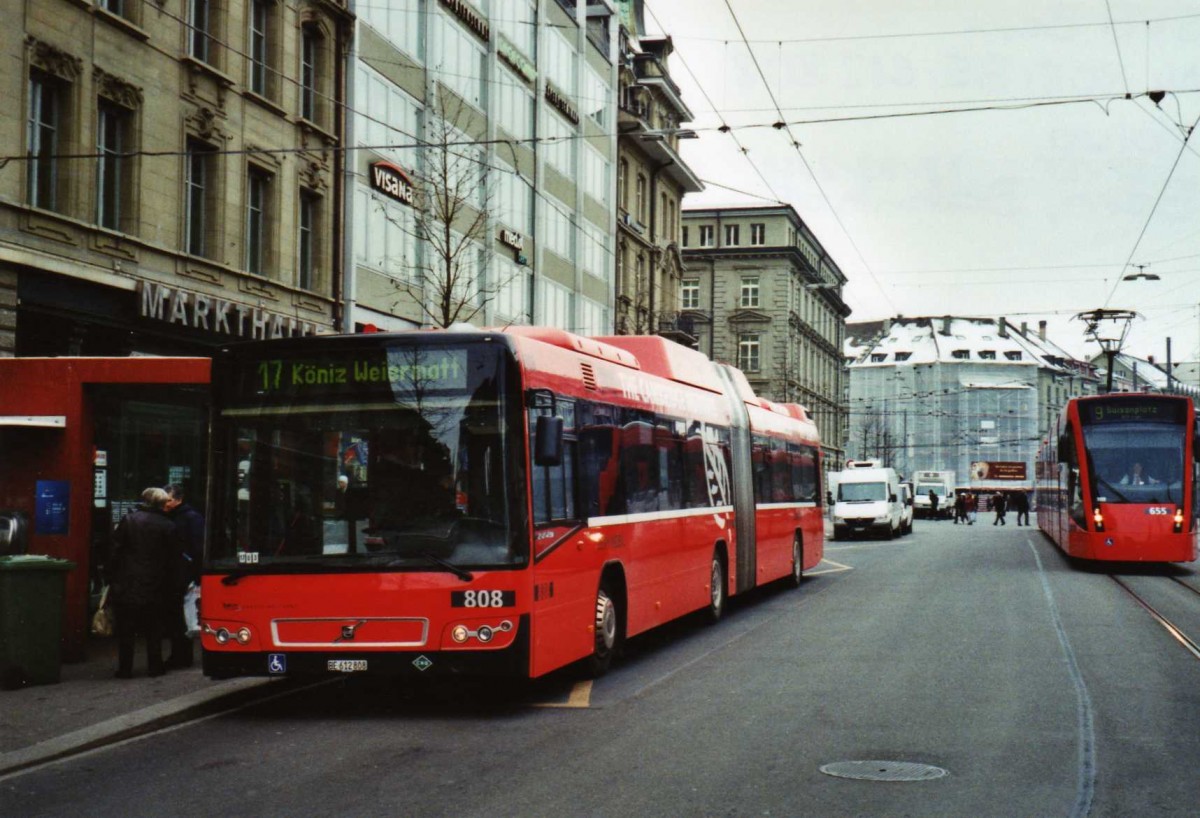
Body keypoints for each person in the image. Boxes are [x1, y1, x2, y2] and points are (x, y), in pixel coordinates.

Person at [107, 487, 182, 678]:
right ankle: (155, 666)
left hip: (128, 583)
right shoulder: (168, 525)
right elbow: (174, 559)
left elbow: (115, 550)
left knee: (126, 630)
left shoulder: (129, 520)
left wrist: (112, 577)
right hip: (156, 584)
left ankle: (125, 669)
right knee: (154, 629)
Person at [164, 483, 204, 669]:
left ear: (179, 499)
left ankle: (182, 656)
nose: (167, 503)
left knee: (182, 617)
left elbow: (197, 548)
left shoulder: (189, 518)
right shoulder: (176, 516)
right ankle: (180, 655)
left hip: (184, 574)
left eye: (169, 499)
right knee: (178, 617)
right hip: (179, 572)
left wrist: (195, 575)